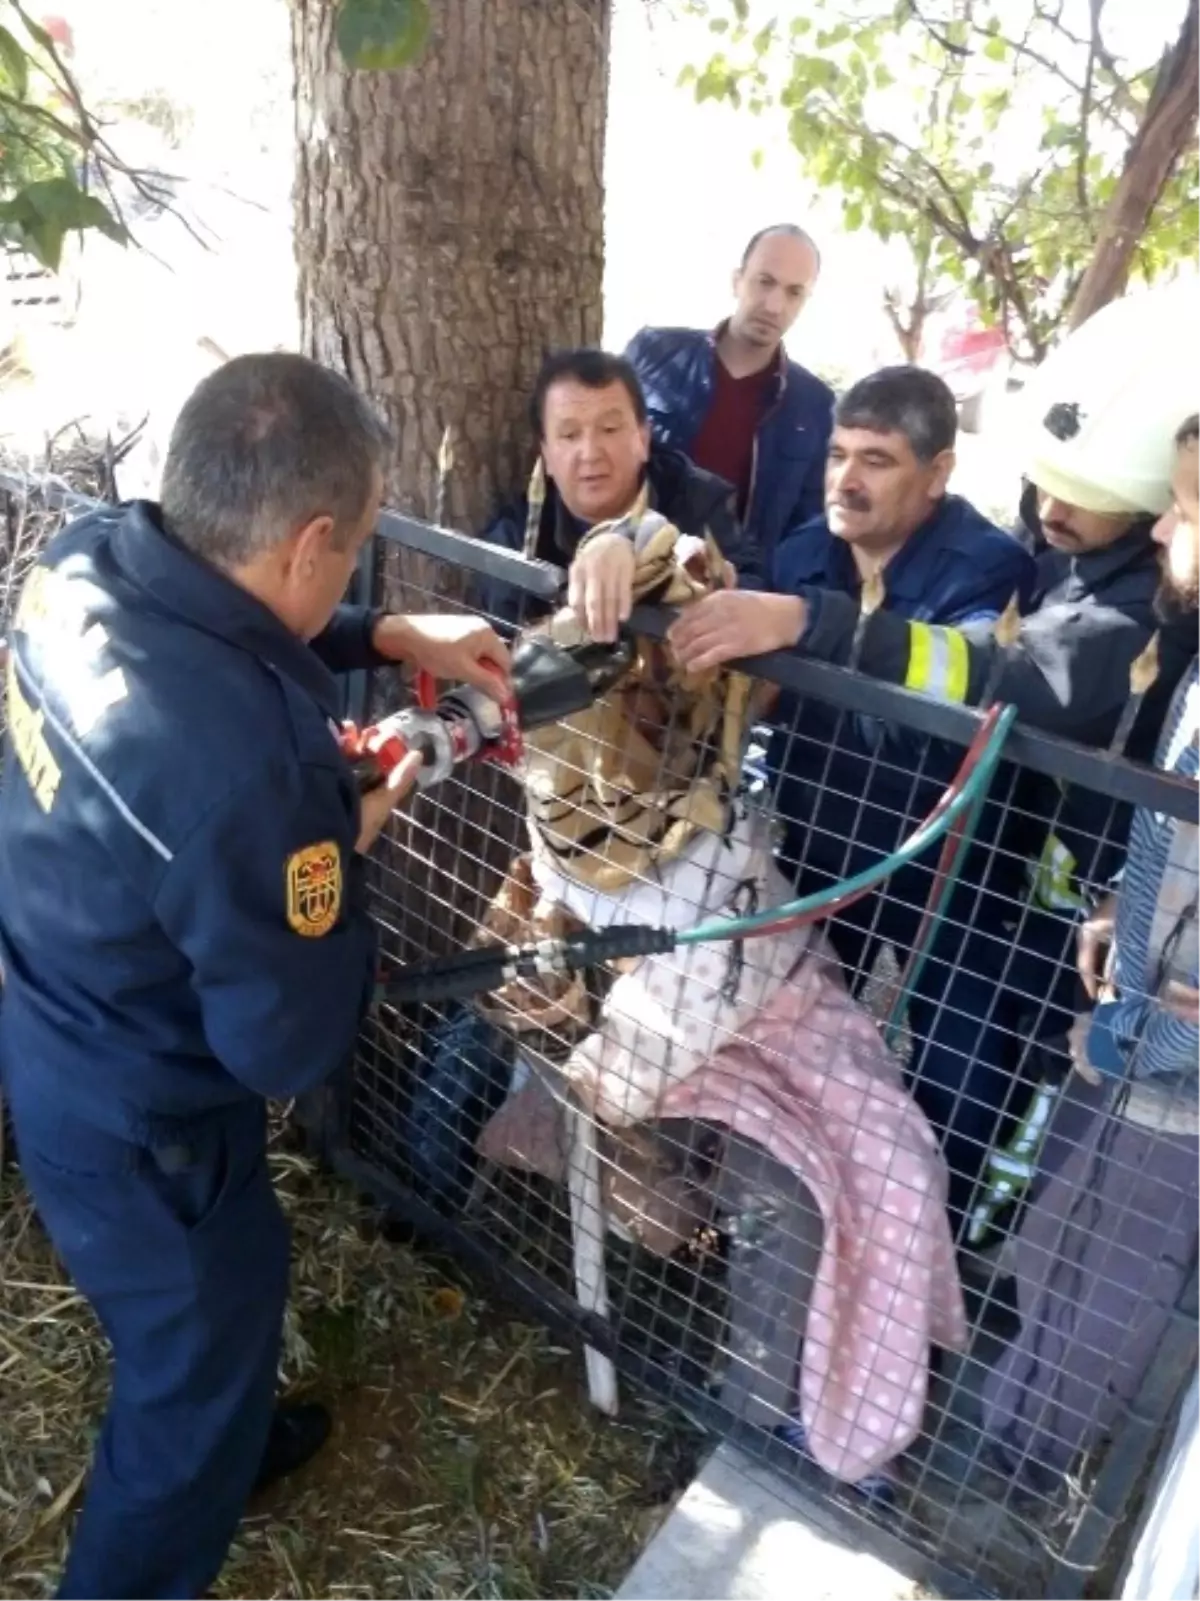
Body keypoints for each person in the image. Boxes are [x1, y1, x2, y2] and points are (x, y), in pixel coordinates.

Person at [0, 352, 511, 1601]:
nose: (347, 575)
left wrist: (382, 628)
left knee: (214, 1303)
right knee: (189, 1352)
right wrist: (340, 839)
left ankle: (225, 1428)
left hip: (54, 1005)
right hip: (146, 1116)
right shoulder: (249, 781)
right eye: (355, 560)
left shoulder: (87, 556)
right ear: (314, 537)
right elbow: (283, 1047)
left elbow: (228, 619)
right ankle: (179, 1488)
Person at [669, 316, 1200, 1240]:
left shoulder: (1110, 601)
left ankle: (926, 1257)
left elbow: (1010, 676)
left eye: (1178, 513)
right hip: (832, 847)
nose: (1047, 507)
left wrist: (814, 624)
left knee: (962, 1087)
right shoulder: (1059, 562)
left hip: (985, 889)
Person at [976, 412, 1200, 1494]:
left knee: (1119, 1267)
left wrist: (1152, 1023)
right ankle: (1011, 1428)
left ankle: (1029, 1474)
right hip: (1135, 1019)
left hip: (1178, 1067)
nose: (1164, 525)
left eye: (1191, 505)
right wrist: (1124, 899)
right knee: (1065, 1221)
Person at [672, 364, 1035, 995]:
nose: (845, 480)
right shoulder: (805, 550)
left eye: (877, 460)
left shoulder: (987, 569)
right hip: (818, 845)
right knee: (784, 1039)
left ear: (939, 472)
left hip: (943, 872)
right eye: (837, 454)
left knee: (958, 1080)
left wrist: (811, 626)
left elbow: (970, 691)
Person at [478, 347, 753, 637]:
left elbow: (753, 593)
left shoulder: (697, 499)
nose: (590, 453)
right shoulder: (514, 539)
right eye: (570, 435)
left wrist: (643, 545)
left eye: (609, 429)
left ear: (643, 439)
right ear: (545, 455)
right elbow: (504, 658)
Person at [626, 224, 833, 572]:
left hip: (731, 596)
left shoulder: (815, 407)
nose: (774, 305)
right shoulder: (654, 354)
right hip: (629, 569)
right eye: (764, 281)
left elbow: (809, 530)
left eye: (794, 292)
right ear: (737, 280)